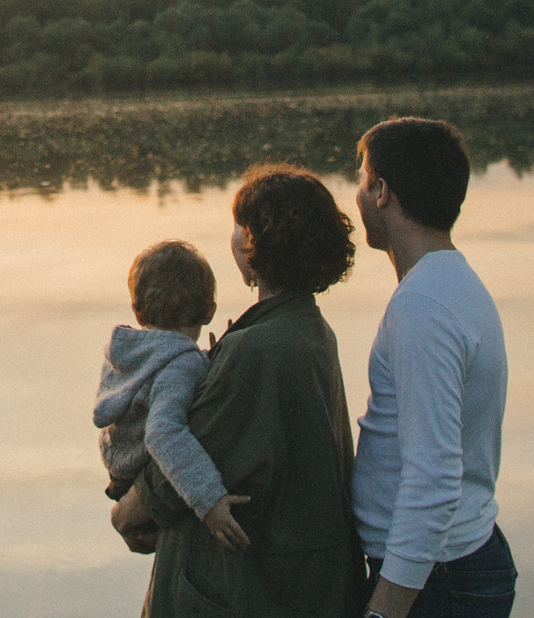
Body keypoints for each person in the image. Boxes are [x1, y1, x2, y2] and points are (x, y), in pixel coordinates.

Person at [111, 165, 370, 618]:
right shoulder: (311, 330)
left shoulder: (256, 350)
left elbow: (174, 469)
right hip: (300, 585)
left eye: (237, 225)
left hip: (248, 591)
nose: (231, 236)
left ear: (255, 243)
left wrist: (124, 512)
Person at [349, 118, 513, 618]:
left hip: (437, 581)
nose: (356, 195)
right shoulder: (451, 283)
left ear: (382, 192)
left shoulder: (423, 307)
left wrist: (384, 612)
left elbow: (434, 478)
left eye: (361, 180)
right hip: (447, 565)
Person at [94, 239, 251, 550]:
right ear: (209, 310)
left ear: (138, 313)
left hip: (119, 466)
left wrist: (207, 363)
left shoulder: (133, 353)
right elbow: (163, 434)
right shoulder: (180, 366)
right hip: (140, 471)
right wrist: (210, 501)